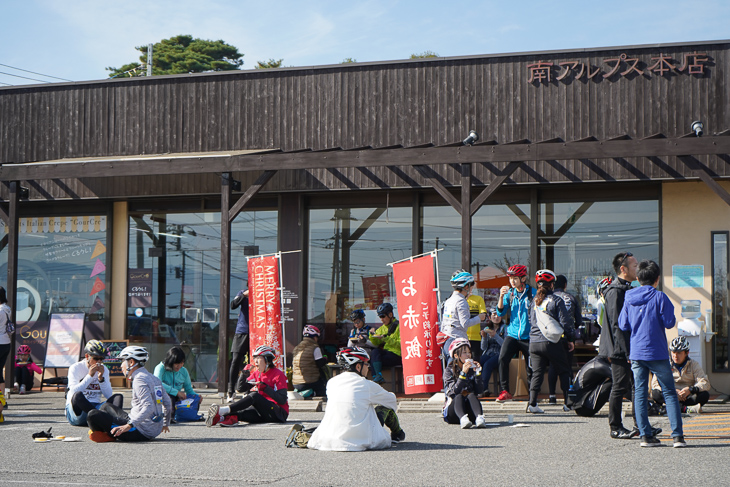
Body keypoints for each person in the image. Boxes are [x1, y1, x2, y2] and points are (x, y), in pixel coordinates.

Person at [618, 260, 685, 448]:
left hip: (637, 353)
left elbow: (623, 324)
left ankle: (646, 436)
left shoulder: (628, 298)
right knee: (670, 393)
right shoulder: (660, 297)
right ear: (657, 279)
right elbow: (670, 322)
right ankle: (677, 437)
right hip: (658, 352)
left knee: (640, 393)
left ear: (638, 278)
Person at [285, 347, 405, 451]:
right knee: (383, 408)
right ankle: (398, 434)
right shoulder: (367, 385)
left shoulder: (331, 382)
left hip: (330, 439)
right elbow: (391, 401)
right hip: (362, 439)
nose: (368, 367)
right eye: (366, 363)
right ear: (358, 366)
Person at [87, 346, 172, 442]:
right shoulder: (153, 378)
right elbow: (167, 402)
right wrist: (165, 424)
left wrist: (128, 426)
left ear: (131, 362)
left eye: (122, 361)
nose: (121, 366)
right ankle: (106, 433)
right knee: (106, 406)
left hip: (138, 430)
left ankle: (108, 436)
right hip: (150, 429)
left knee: (92, 415)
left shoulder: (139, 380)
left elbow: (149, 406)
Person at [598, 251, 641, 439]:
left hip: (628, 348)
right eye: (634, 265)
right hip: (619, 349)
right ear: (623, 269)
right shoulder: (615, 291)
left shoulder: (628, 289)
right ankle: (615, 427)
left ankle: (641, 426)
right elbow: (617, 325)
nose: (638, 268)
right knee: (619, 387)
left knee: (635, 386)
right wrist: (627, 351)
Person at [525, 270, 575, 413]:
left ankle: (532, 404)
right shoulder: (556, 300)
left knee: (537, 373)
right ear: (552, 284)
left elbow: (530, 320)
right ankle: (568, 404)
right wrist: (570, 339)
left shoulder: (533, 302)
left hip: (534, 342)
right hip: (551, 342)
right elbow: (566, 322)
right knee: (564, 370)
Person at [207, 345, 289, 427]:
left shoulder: (278, 375)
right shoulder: (257, 373)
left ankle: (222, 410)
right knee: (243, 411)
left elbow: (282, 400)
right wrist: (244, 374)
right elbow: (240, 388)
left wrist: (266, 388)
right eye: (255, 358)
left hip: (279, 413)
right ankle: (220, 418)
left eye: (258, 358)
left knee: (254, 395)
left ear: (267, 360)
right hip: (265, 413)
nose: (255, 361)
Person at [495, 264, 534, 403]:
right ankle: (505, 391)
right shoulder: (509, 294)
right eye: (510, 278)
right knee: (502, 358)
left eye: (515, 278)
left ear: (523, 278)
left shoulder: (532, 293)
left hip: (528, 336)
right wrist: (501, 296)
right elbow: (501, 312)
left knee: (531, 366)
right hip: (512, 334)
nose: (512, 281)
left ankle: (532, 395)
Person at [65, 340, 124, 426]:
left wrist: (101, 379)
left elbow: (108, 395)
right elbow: (73, 391)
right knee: (77, 395)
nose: (99, 362)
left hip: (96, 406)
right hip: (77, 412)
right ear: (87, 356)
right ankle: (99, 418)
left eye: (101, 359)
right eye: (96, 358)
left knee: (118, 397)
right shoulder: (75, 368)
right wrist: (90, 376)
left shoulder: (105, 370)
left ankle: (116, 422)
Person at [651, 336, 710, 414]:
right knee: (655, 393)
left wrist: (690, 389)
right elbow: (655, 383)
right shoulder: (665, 365)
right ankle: (685, 409)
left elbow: (705, 382)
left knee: (705, 395)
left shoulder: (694, 364)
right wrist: (672, 391)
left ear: (686, 353)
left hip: (687, 397)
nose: (675, 356)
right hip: (671, 395)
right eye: (673, 352)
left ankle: (671, 408)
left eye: (679, 353)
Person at [548, 274, 580, 405]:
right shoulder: (571, 298)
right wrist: (571, 333)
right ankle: (568, 396)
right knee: (566, 367)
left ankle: (551, 396)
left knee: (552, 366)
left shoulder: (548, 298)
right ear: (565, 285)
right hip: (567, 337)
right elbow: (578, 320)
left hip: (551, 336)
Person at [441, 270, 486, 362]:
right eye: (471, 287)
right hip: (457, 340)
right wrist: (479, 318)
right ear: (466, 286)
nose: (471, 290)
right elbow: (465, 323)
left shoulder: (449, 300)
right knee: (458, 371)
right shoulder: (461, 301)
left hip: (447, 339)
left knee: (450, 370)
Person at [443, 338, 486, 428]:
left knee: (471, 395)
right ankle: (463, 419)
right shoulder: (449, 370)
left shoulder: (471, 368)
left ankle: (479, 418)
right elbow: (454, 391)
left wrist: (478, 373)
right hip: (454, 413)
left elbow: (479, 390)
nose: (468, 355)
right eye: (464, 352)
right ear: (456, 355)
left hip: (470, 412)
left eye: (469, 352)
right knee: (459, 396)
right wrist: (463, 374)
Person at [153, 346, 196, 420]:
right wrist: (177, 392)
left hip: (177, 398)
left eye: (182, 363)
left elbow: (189, 389)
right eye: (177, 363)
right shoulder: (160, 368)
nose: (180, 366)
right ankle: (167, 416)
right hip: (160, 397)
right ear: (170, 361)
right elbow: (157, 384)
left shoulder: (183, 371)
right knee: (170, 396)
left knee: (193, 399)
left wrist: (196, 397)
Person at [368, 302, 401, 384]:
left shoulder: (400, 326)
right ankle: (378, 376)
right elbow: (375, 343)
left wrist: (386, 339)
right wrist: (371, 335)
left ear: (390, 315)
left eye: (383, 316)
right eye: (380, 317)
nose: (381, 319)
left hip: (397, 355)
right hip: (386, 354)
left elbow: (401, 345)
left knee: (374, 359)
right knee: (374, 352)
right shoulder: (382, 328)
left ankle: (375, 378)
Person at [291, 325, 328, 398]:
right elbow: (320, 364)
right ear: (314, 337)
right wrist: (325, 358)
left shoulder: (297, 348)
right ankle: (313, 393)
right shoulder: (315, 347)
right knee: (323, 388)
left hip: (295, 382)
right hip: (309, 382)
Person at [228, 286, 250, 403]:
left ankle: (248, 390)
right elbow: (233, 305)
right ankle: (231, 391)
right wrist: (244, 295)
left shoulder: (262, 294)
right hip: (242, 331)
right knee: (236, 360)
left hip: (257, 331)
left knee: (253, 362)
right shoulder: (242, 292)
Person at [479, 309, 505, 395]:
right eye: (494, 315)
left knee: (487, 364)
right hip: (489, 353)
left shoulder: (505, 328)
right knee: (478, 363)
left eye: (498, 315)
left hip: (500, 353)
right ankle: (475, 387)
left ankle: (484, 389)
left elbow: (505, 345)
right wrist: (484, 337)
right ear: (490, 317)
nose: (496, 317)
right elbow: (483, 347)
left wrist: (496, 336)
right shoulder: (487, 328)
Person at [466, 286, 488, 359]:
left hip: (475, 337)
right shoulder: (458, 300)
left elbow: (483, 316)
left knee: (475, 363)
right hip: (461, 337)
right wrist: (476, 316)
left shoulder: (478, 299)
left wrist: (467, 317)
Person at [0, 286, 12, 412]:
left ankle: (1, 400)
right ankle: (2, 399)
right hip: (5, 342)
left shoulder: (0, 311)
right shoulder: (7, 309)